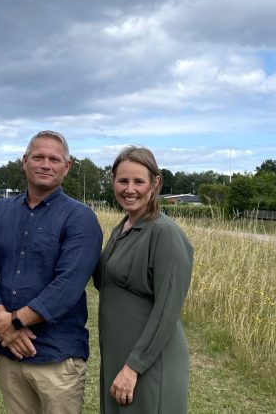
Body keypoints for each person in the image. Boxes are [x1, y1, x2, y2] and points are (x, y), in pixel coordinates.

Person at [0, 130, 103, 414]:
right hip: (10, 354)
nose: (46, 164)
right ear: (25, 161)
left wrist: (14, 323)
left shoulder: (80, 218)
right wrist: (4, 323)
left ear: (66, 167)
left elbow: (67, 285)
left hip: (57, 359)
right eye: (38, 157)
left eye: (54, 159)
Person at [94, 146, 193, 413]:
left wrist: (134, 367)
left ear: (155, 183)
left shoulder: (164, 233)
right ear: (113, 181)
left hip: (148, 363)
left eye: (139, 181)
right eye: (123, 180)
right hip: (119, 356)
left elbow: (166, 310)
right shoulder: (122, 228)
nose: (130, 189)